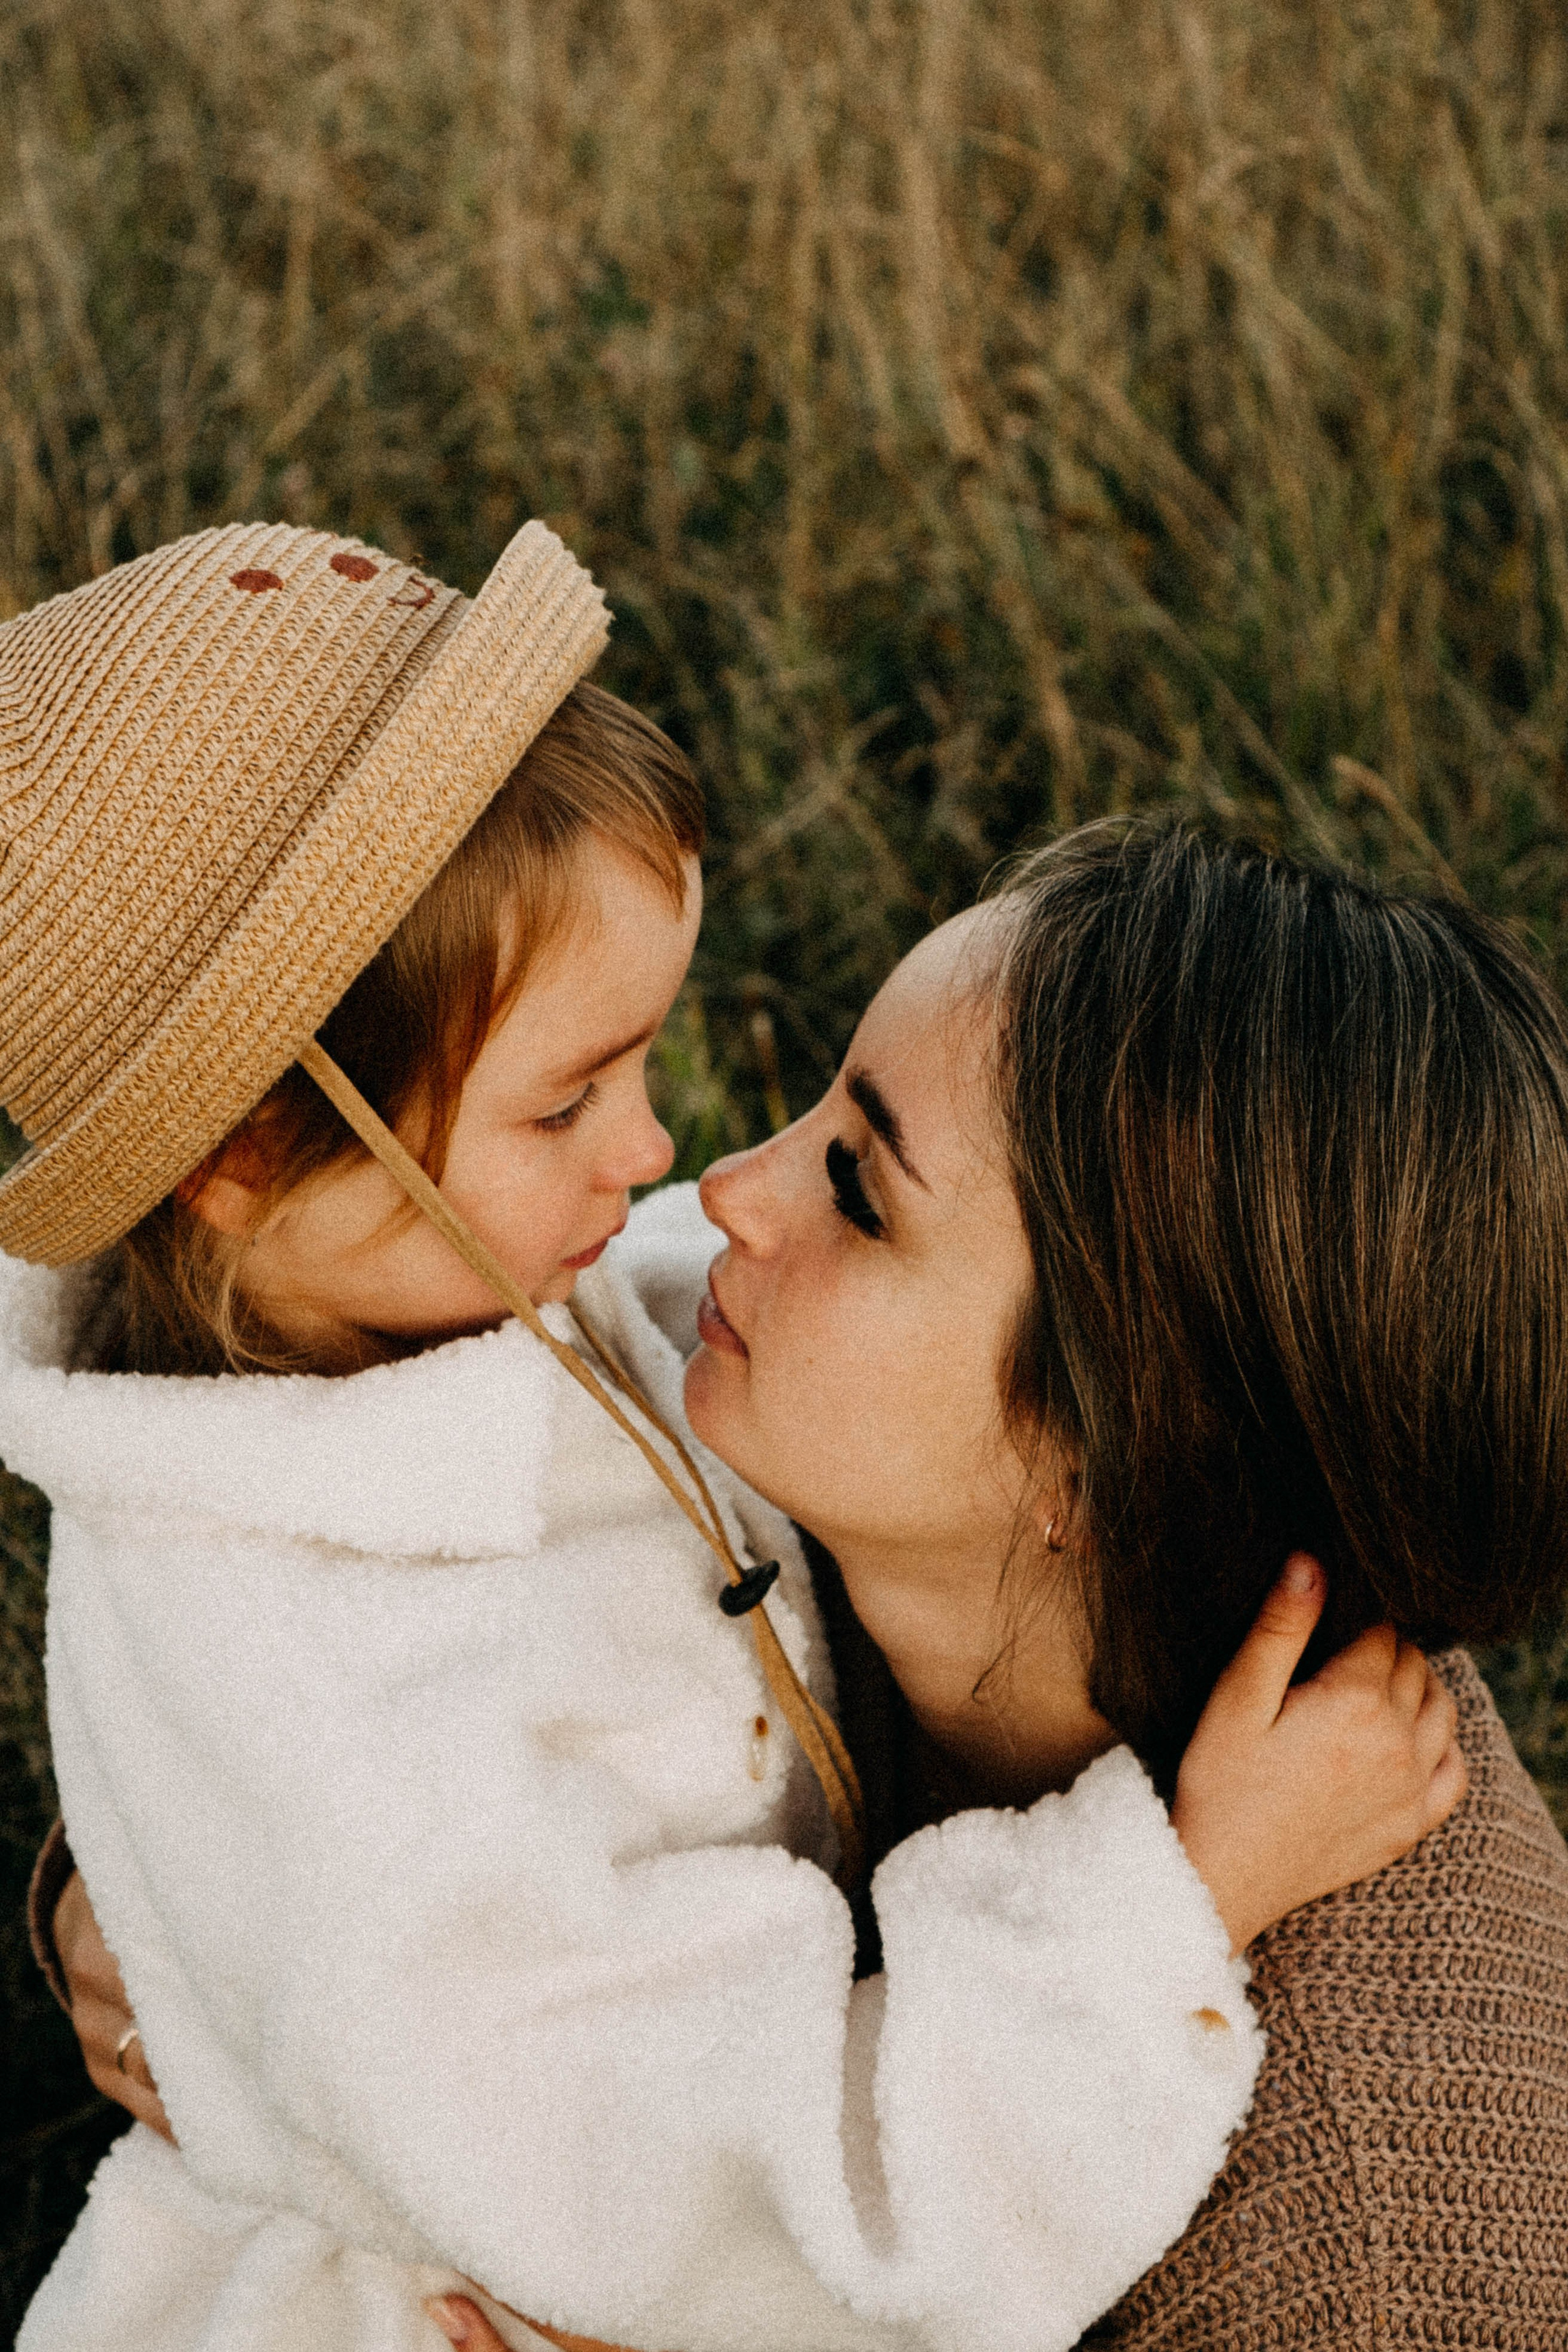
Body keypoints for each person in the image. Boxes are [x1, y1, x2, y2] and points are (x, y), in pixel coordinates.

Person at [0, 529, 1458, 2352]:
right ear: (240, 1166)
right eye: (565, 1100)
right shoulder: (321, 1701)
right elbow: (781, 2219)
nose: (670, 1164)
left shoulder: (423, 1291)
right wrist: (1179, 1899)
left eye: (650, 1064)